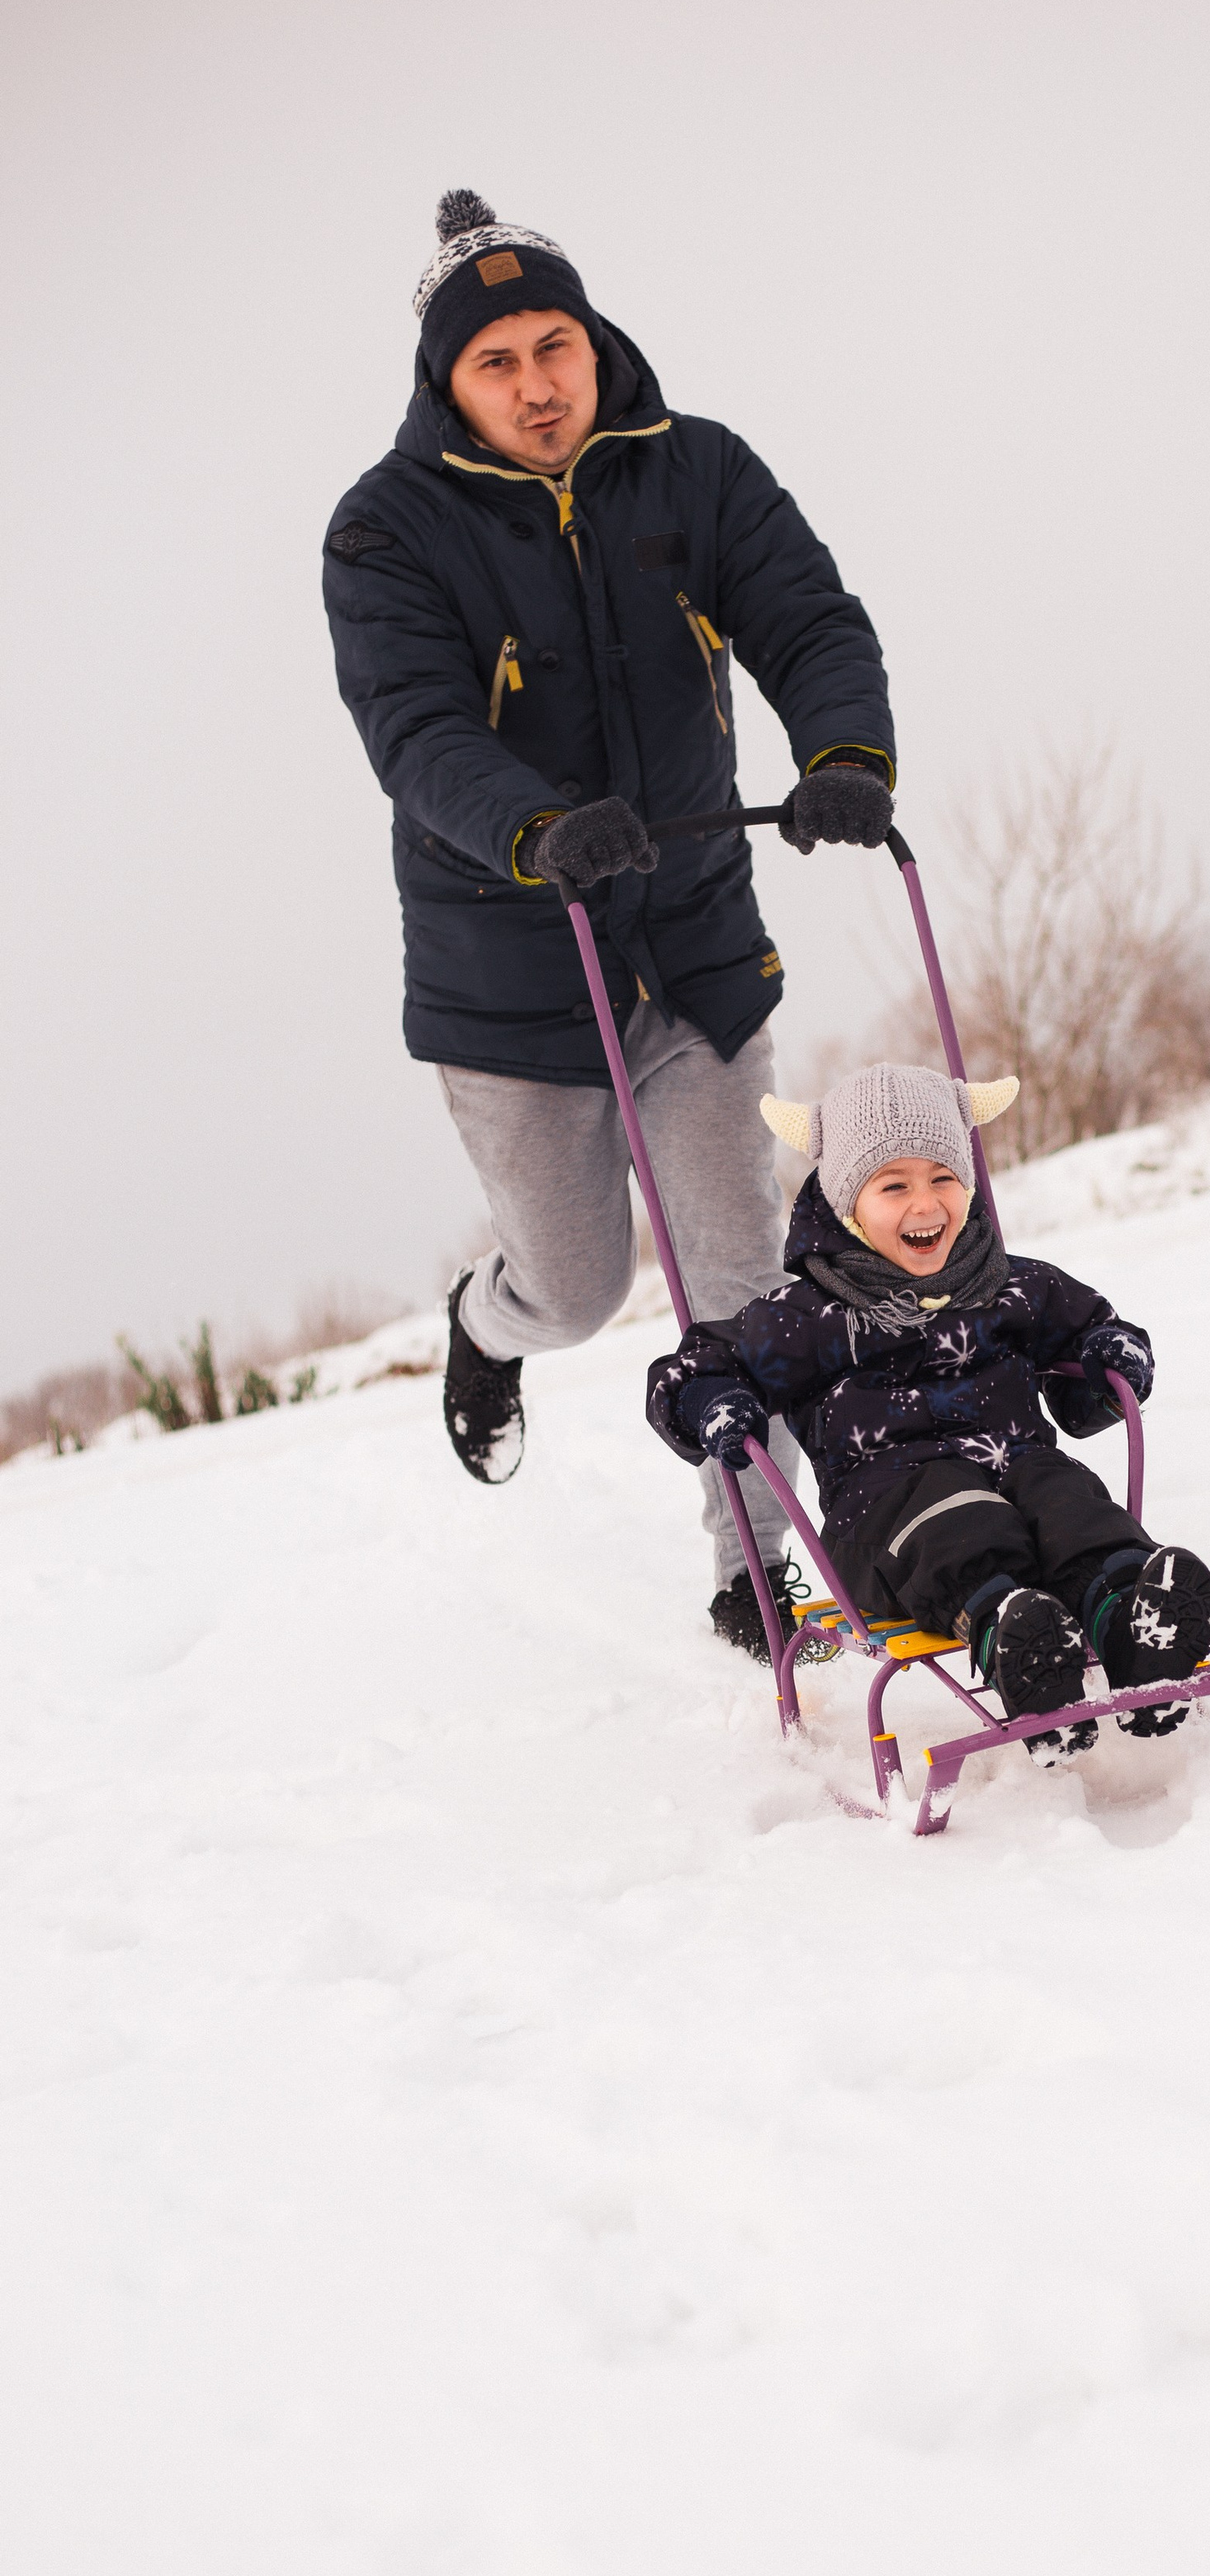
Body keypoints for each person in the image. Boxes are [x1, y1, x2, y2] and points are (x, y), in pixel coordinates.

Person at [322, 189, 896, 1659]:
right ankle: (486, 1323)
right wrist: (532, 826)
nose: (536, 383)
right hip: (513, 975)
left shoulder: (695, 471)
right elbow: (415, 726)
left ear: (595, 342)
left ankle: (756, 1571)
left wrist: (842, 755)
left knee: (742, 1287)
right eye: (496, 360)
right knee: (579, 1291)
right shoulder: (388, 530)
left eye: (554, 344)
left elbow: (809, 619)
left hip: (693, 956)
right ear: (447, 382)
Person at [643, 1064, 1210, 1747]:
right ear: (846, 1204)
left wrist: (1112, 1354)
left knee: (1067, 1497)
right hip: (885, 1522)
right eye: (894, 1186)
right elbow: (694, 1367)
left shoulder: (1008, 1285)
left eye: (942, 1179)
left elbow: (1087, 1334)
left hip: (1020, 1473)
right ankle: (1016, 1640)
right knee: (956, 1511)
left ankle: (1127, 1624)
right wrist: (714, 1399)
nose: (926, 1206)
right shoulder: (805, 1317)